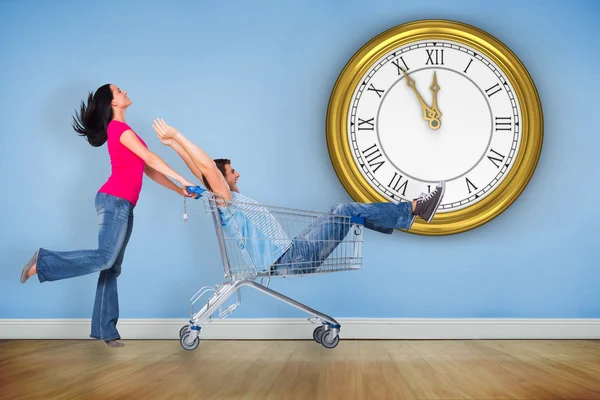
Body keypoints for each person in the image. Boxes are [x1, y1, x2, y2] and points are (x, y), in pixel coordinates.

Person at [19, 85, 198, 347]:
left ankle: (106, 330)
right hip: (115, 201)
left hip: (123, 203)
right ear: (112, 103)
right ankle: (43, 261)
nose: (124, 91)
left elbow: (148, 168)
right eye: (118, 90)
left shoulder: (126, 131)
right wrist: (183, 177)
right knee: (105, 258)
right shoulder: (118, 129)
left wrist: (178, 189)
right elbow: (150, 156)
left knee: (111, 267)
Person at [151, 118, 445, 275]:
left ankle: (402, 215)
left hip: (292, 249)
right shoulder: (225, 200)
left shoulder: (223, 199)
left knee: (340, 209)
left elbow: (201, 171)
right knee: (343, 209)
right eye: (231, 171)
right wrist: (179, 135)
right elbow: (206, 169)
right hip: (292, 258)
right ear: (222, 181)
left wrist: (173, 144)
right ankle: (415, 209)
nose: (237, 174)